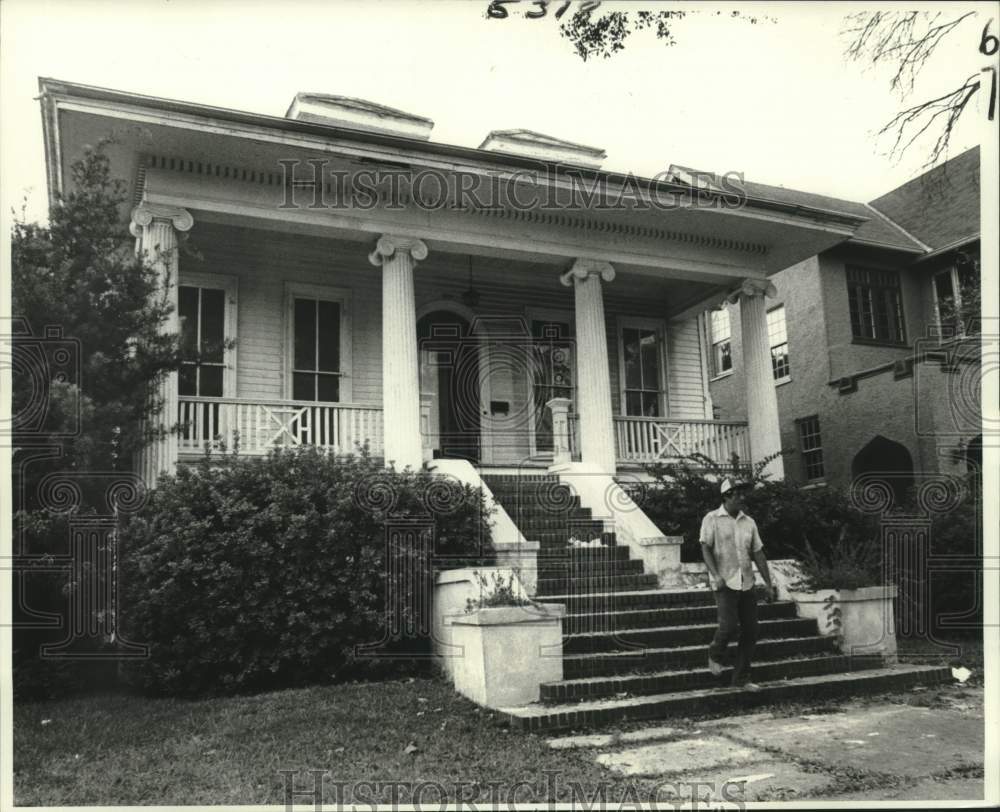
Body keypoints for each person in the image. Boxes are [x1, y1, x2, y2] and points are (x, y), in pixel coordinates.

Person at [699, 476, 776, 690]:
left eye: (744, 493)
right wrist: (715, 575)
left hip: (746, 582)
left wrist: (768, 584)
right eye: (738, 493)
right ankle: (715, 652)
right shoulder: (712, 519)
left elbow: (758, 552)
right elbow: (705, 547)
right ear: (726, 496)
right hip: (724, 582)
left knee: (751, 630)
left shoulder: (749, 522)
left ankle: (741, 678)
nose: (743, 497)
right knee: (729, 626)